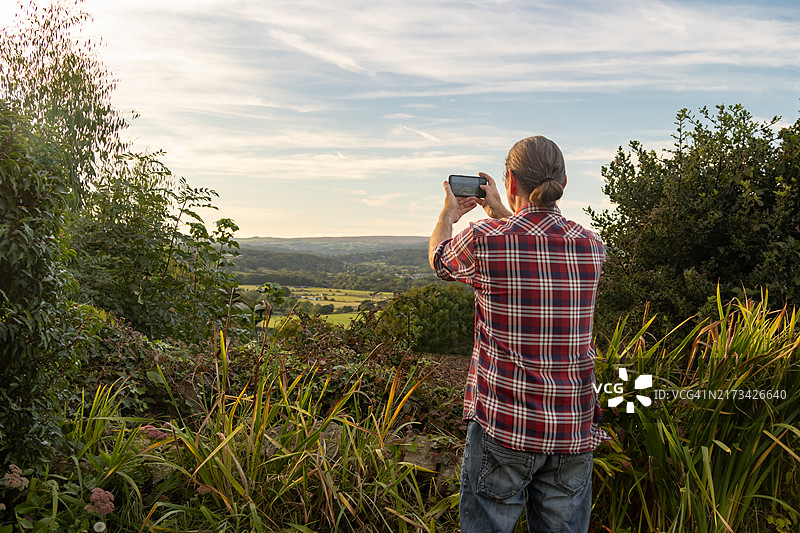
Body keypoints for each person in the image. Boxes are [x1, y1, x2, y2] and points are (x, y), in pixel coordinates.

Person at [428, 136, 607, 533]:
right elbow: (533, 240)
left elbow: (440, 260)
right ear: (563, 181)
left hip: (504, 425)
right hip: (571, 427)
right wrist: (502, 211)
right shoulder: (592, 246)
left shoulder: (485, 239)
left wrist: (448, 215)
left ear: (509, 181)